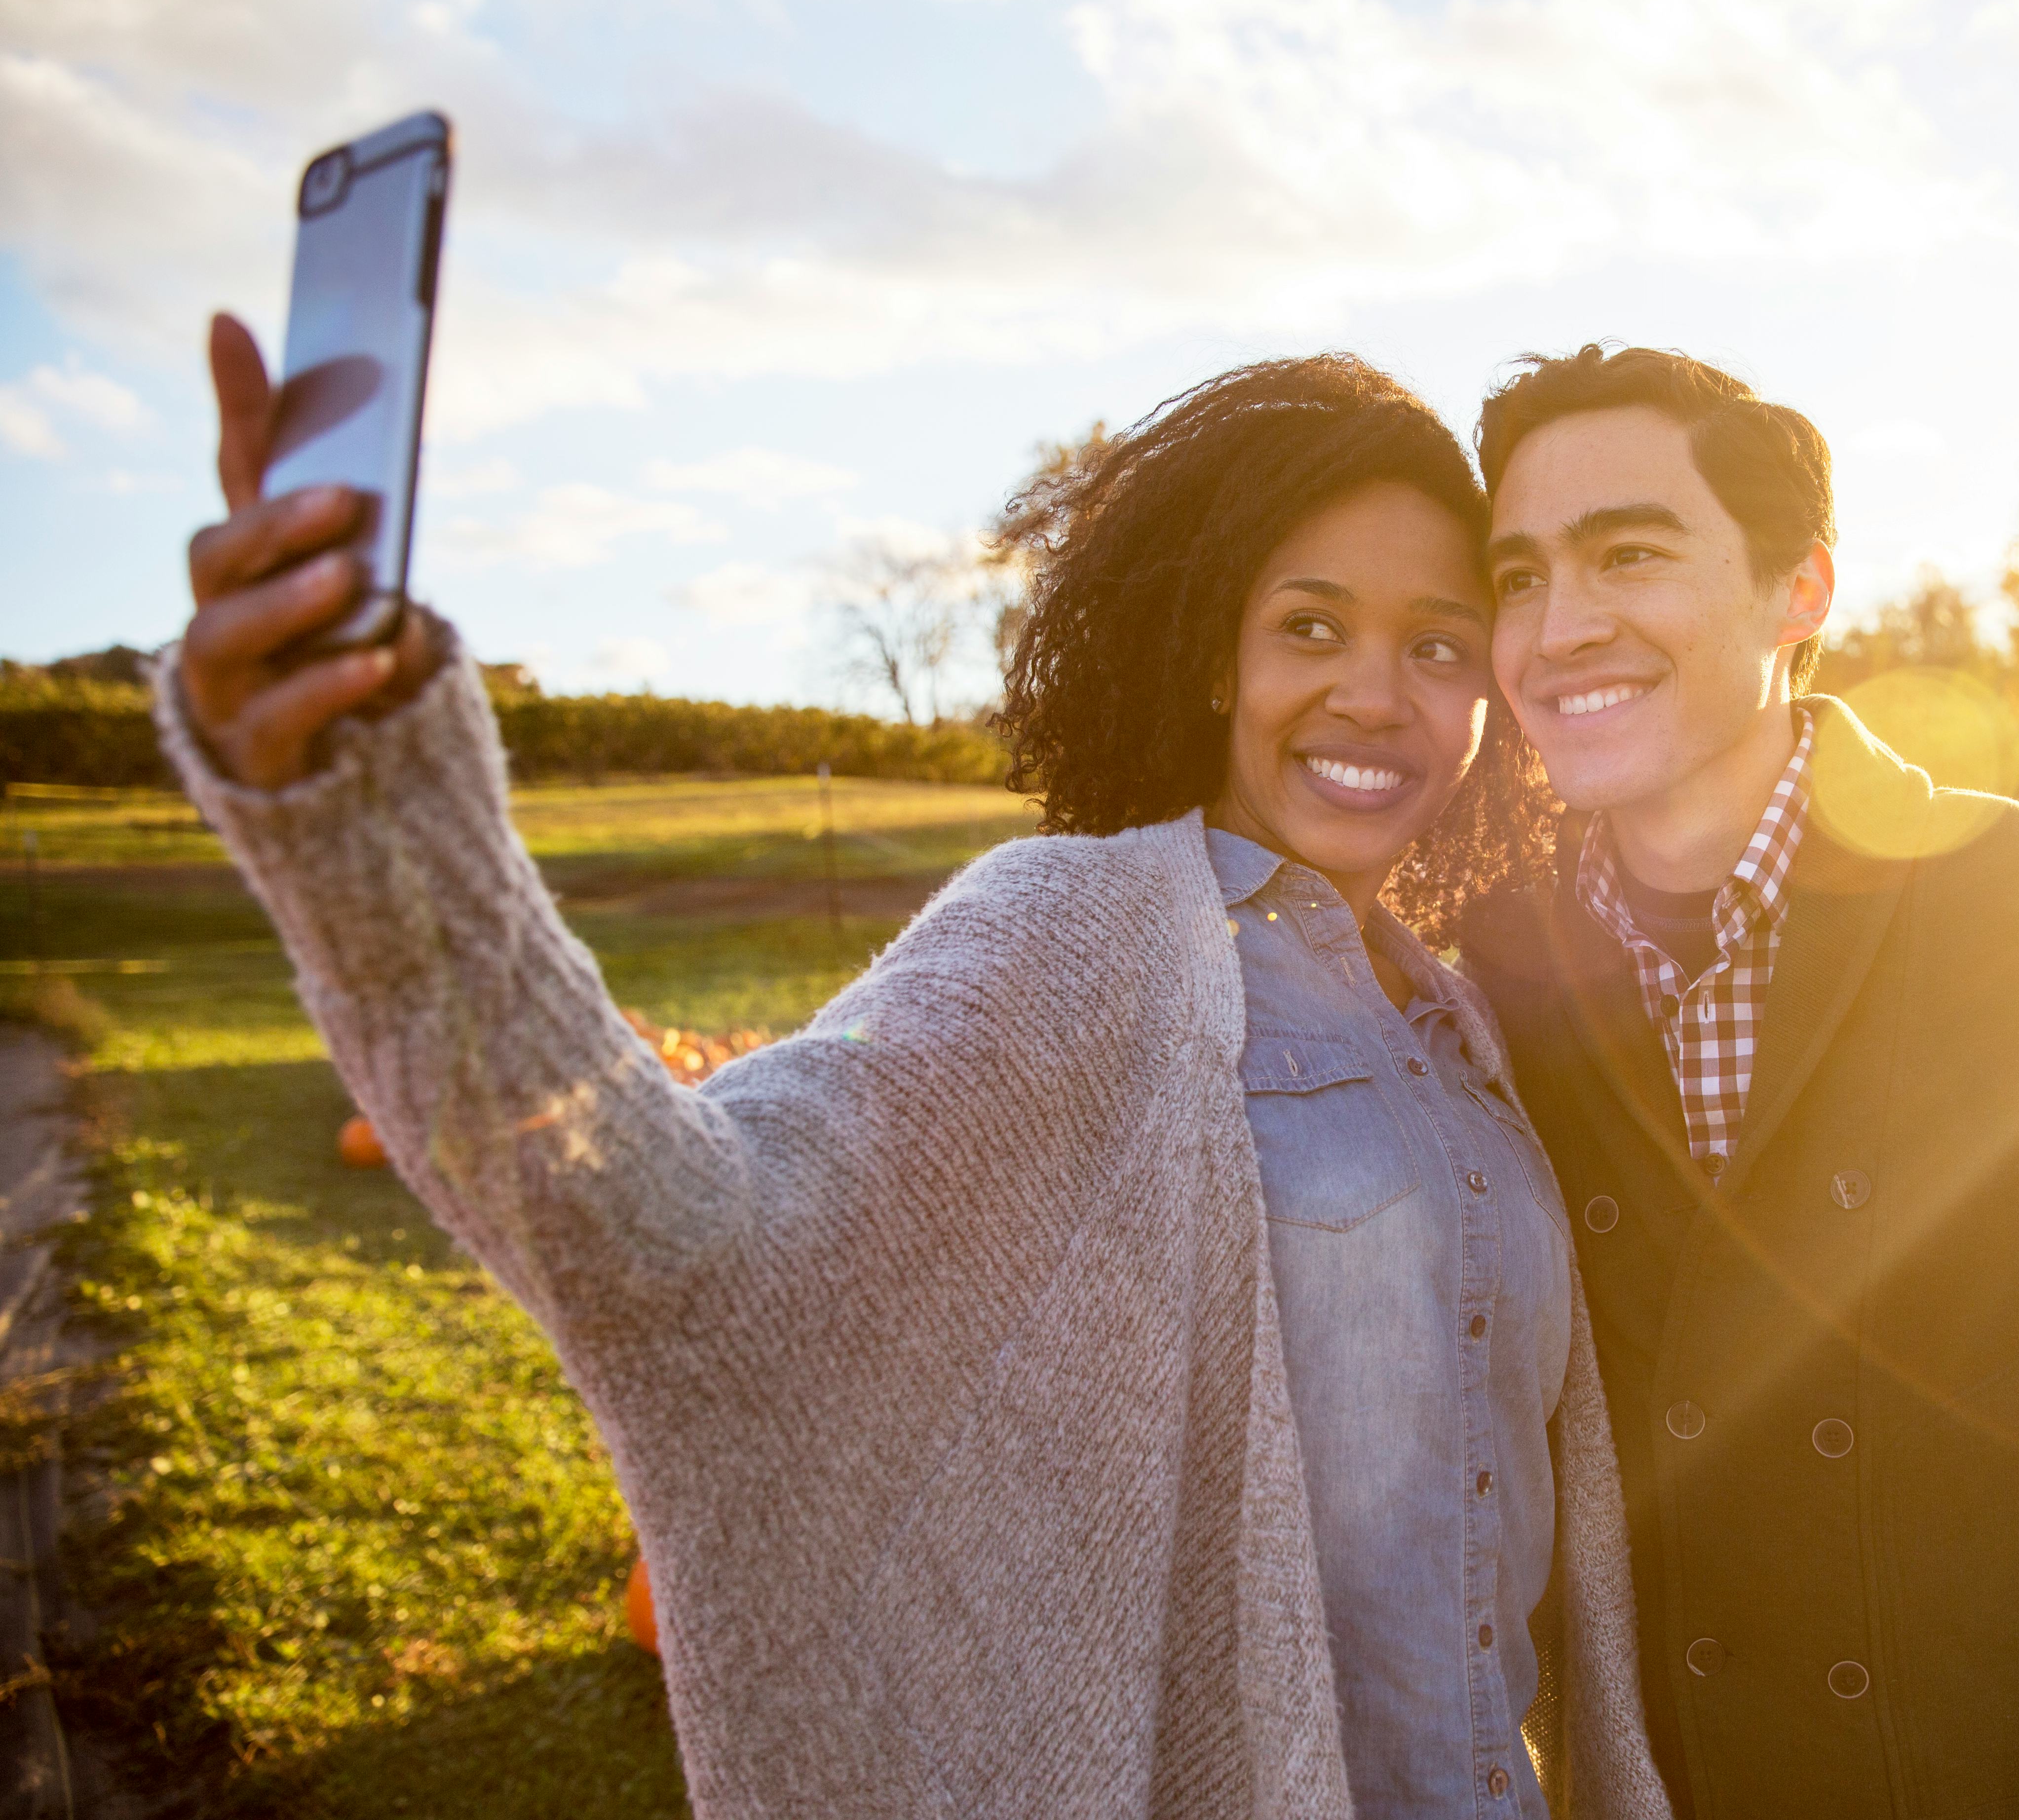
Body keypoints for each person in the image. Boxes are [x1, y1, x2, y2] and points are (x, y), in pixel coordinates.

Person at [163, 320, 1670, 1819]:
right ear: (1216, 658)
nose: (1376, 696)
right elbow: (666, 1232)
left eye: (1439, 646)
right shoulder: (1084, 934)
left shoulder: (1455, 1018)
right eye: (1312, 628)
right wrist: (370, 816)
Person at [1456, 345, 2019, 1820]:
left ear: (1800, 588)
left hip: (2016, 1771)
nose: (1561, 627)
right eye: (1517, 577)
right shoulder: (1494, 962)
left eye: (1631, 553)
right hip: (1664, 1785)